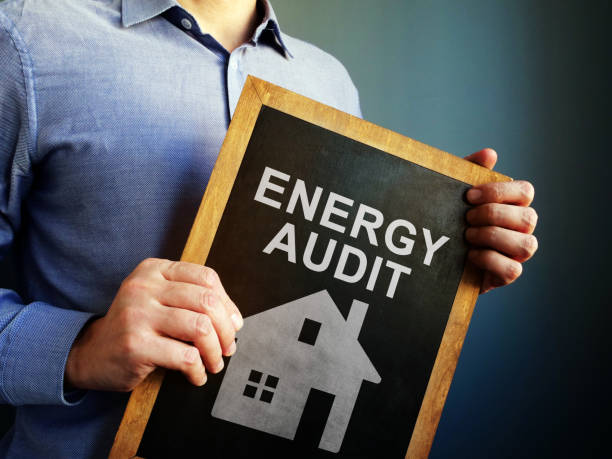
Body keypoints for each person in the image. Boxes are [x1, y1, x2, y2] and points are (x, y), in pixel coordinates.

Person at [0, 0, 538, 456]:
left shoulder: (329, 82)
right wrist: (79, 349)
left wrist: (440, 266)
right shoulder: (26, 41)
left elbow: (340, 295)